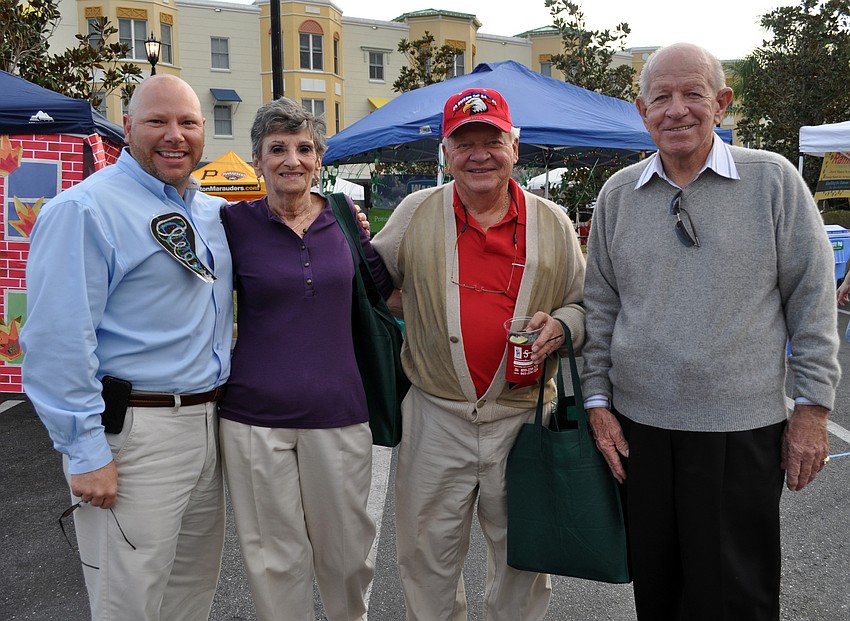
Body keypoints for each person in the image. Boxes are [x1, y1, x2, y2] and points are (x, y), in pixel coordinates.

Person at [581, 42, 841, 621]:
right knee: (659, 591)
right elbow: (599, 306)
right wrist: (597, 402)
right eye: (661, 97)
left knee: (735, 596)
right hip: (638, 429)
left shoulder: (771, 180)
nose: (677, 110)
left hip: (740, 428)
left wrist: (813, 409)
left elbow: (813, 299)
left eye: (693, 94)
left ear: (721, 104)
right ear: (641, 109)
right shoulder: (619, 195)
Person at [21, 74, 233, 620]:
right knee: (128, 599)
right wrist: (85, 451)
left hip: (208, 426)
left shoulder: (209, 213)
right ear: (127, 128)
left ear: (203, 130)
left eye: (187, 122)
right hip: (134, 436)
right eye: (157, 121)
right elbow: (56, 341)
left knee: (191, 592)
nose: (174, 135)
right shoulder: (85, 210)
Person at [372, 87, 586, 621]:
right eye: (463, 143)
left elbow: (588, 306)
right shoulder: (416, 212)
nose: (478, 154)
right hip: (433, 415)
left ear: (516, 146)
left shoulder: (554, 222)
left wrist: (562, 325)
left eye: (491, 139)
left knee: (524, 559)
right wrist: (411, 306)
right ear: (445, 154)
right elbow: (368, 284)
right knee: (426, 556)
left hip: (524, 419)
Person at [217, 97, 394, 621]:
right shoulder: (230, 224)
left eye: (304, 148)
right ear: (257, 160)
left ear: (319, 159)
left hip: (339, 414)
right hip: (253, 419)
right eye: (278, 149)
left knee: (346, 555)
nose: (291, 159)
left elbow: (383, 295)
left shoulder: (344, 219)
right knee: (274, 560)